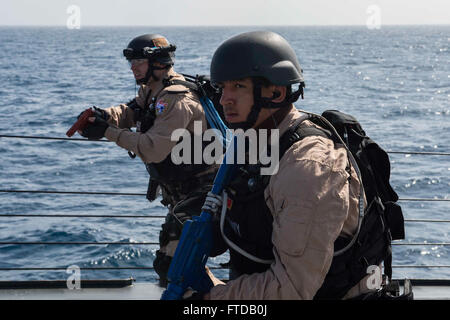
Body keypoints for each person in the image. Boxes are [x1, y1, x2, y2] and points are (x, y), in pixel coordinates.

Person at [200, 31, 383, 300]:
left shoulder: (306, 168)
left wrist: (210, 297)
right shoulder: (254, 140)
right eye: (222, 87)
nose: (224, 99)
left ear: (275, 92)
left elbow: (291, 291)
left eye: (238, 86)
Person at [76, 34, 217, 286]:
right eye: (132, 62)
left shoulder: (177, 99)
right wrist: (105, 116)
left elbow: (153, 148)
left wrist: (107, 131)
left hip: (199, 195)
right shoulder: (154, 91)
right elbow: (132, 112)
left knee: (174, 268)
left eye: (139, 61)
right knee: (173, 267)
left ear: (159, 62)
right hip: (181, 197)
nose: (133, 67)